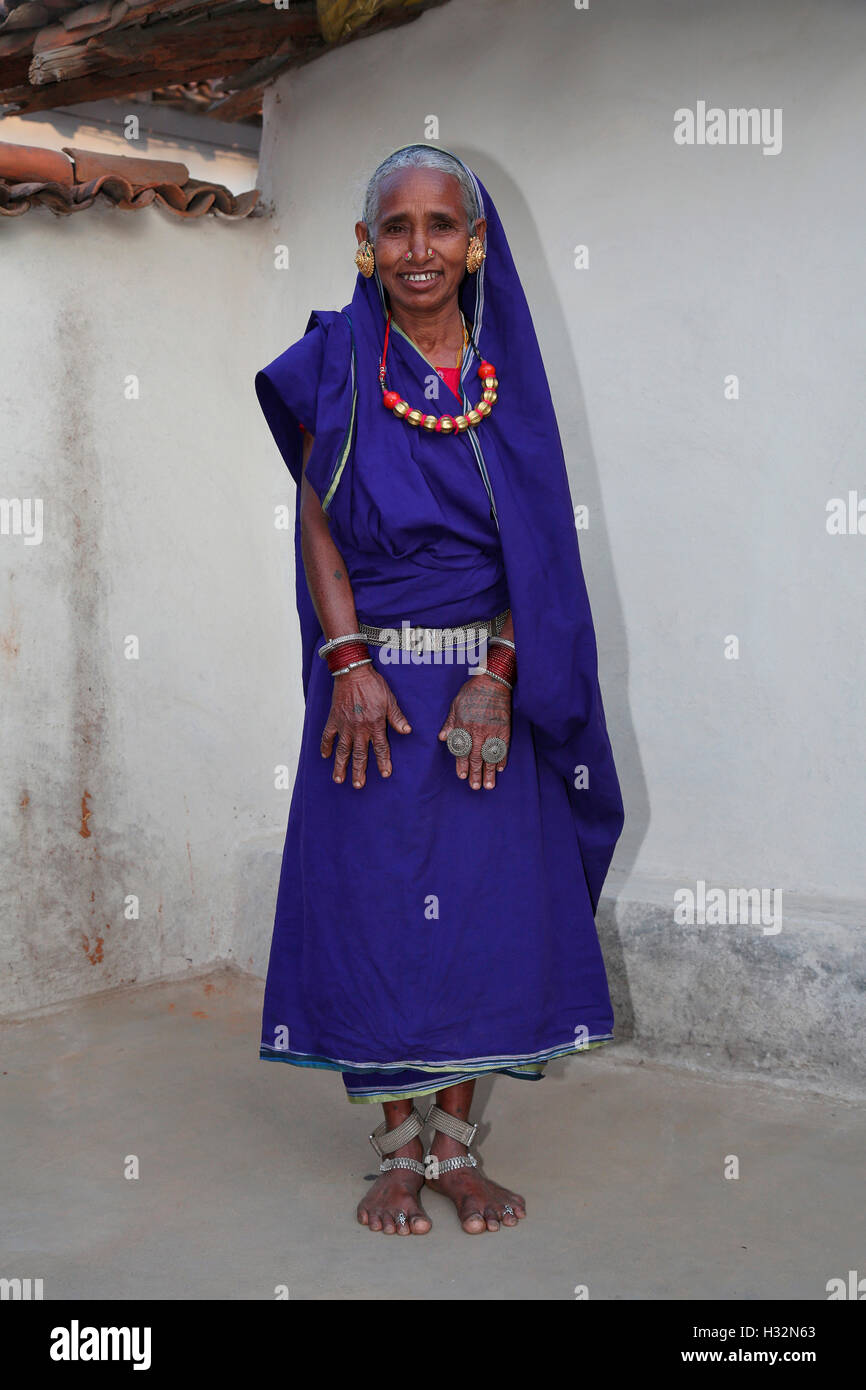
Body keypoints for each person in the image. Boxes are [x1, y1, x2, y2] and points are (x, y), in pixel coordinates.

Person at [254, 144, 624, 1236]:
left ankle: (455, 1149)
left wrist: (499, 677)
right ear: (365, 246)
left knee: (477, 920)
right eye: (397, 228)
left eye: (441, 227)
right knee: (372, 911)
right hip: (368, 690)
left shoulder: (505, 384)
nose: (420, 248)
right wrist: (349, 665)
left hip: (480, 695)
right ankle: (389, 1149)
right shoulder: (338, 363)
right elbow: (317, 521)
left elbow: (539, 554)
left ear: (471, 245)